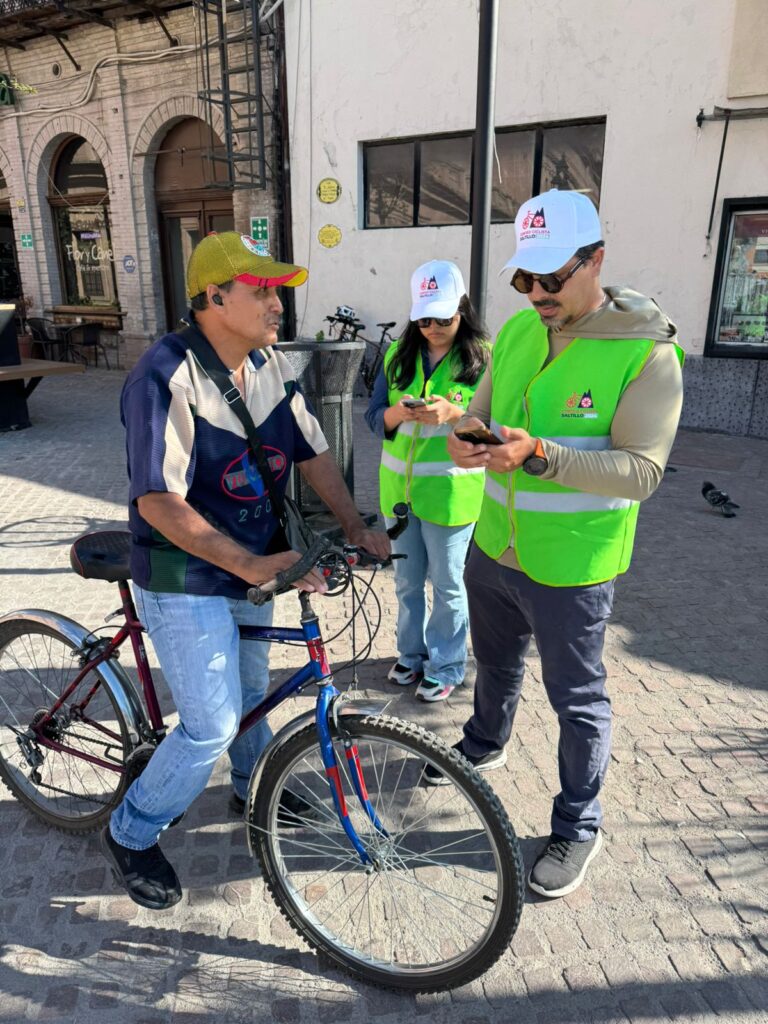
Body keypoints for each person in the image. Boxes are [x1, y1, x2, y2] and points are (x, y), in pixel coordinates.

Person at [101, 231, 390, 911]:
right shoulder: (163, 376)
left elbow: (313, 452)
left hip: (250, 565)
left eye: (277, 291)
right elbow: (157, 502)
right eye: (261, 290)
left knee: (252, 689)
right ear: (213, 296)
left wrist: (354, 525)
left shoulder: (269, 363)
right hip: (184, 575)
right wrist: (253, 563)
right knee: (208, 723)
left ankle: (249, 785)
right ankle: (131, 830)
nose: (277, 303)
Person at [432, 190, 684, 899]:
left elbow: (642, 472)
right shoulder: (519, 331)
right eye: (524, 278)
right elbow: (482, 413)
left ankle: (579, 824)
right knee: (495, 664)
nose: (537, 294)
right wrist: (465, 438)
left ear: (595, 259)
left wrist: (539, 454)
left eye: (551, 278)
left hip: (573, 563)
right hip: (494, 545)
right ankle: (486, 741)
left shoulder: (648, 352)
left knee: (577, 701)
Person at [365, 260, 489, 702]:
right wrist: (395, 414)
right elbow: (373, 417)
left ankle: (447, 664)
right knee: (406, 582)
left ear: (462, 310)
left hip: (451, 494)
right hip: (399, 495)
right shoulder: (397, 355)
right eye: (424, 320)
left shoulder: (484, 358)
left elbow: (496, 429)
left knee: (449, 586)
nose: (433, 328)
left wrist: (455, 415)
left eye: (443, 319)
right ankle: (411, 655)